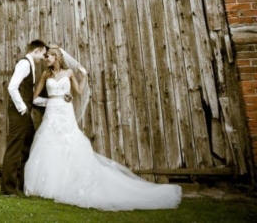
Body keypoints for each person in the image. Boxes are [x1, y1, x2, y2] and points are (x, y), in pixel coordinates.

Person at [24, 47, 182, 210]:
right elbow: (35, 97)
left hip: (65, 112)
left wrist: (84, 76)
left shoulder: (69, 73)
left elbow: (78, 91)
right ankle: (50, 184)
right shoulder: (46, 75)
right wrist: (50, 101)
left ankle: (72, 182)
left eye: (48, 56)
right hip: (52, 112)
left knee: (70, 142)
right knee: (50, 144)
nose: (45, 59)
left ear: (56, 57)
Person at [0, 39, 48, 196]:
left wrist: (51, 101)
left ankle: (21, 185)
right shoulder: (25, 64)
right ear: (37, 50)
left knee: (28, 143)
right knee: (14, 148)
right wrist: (22, 108)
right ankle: (7, 190)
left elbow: (28, 93)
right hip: (19, 112)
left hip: (24, 112)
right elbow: (12, 87)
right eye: (43, 54)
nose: (43, 58)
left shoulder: (31, 65)